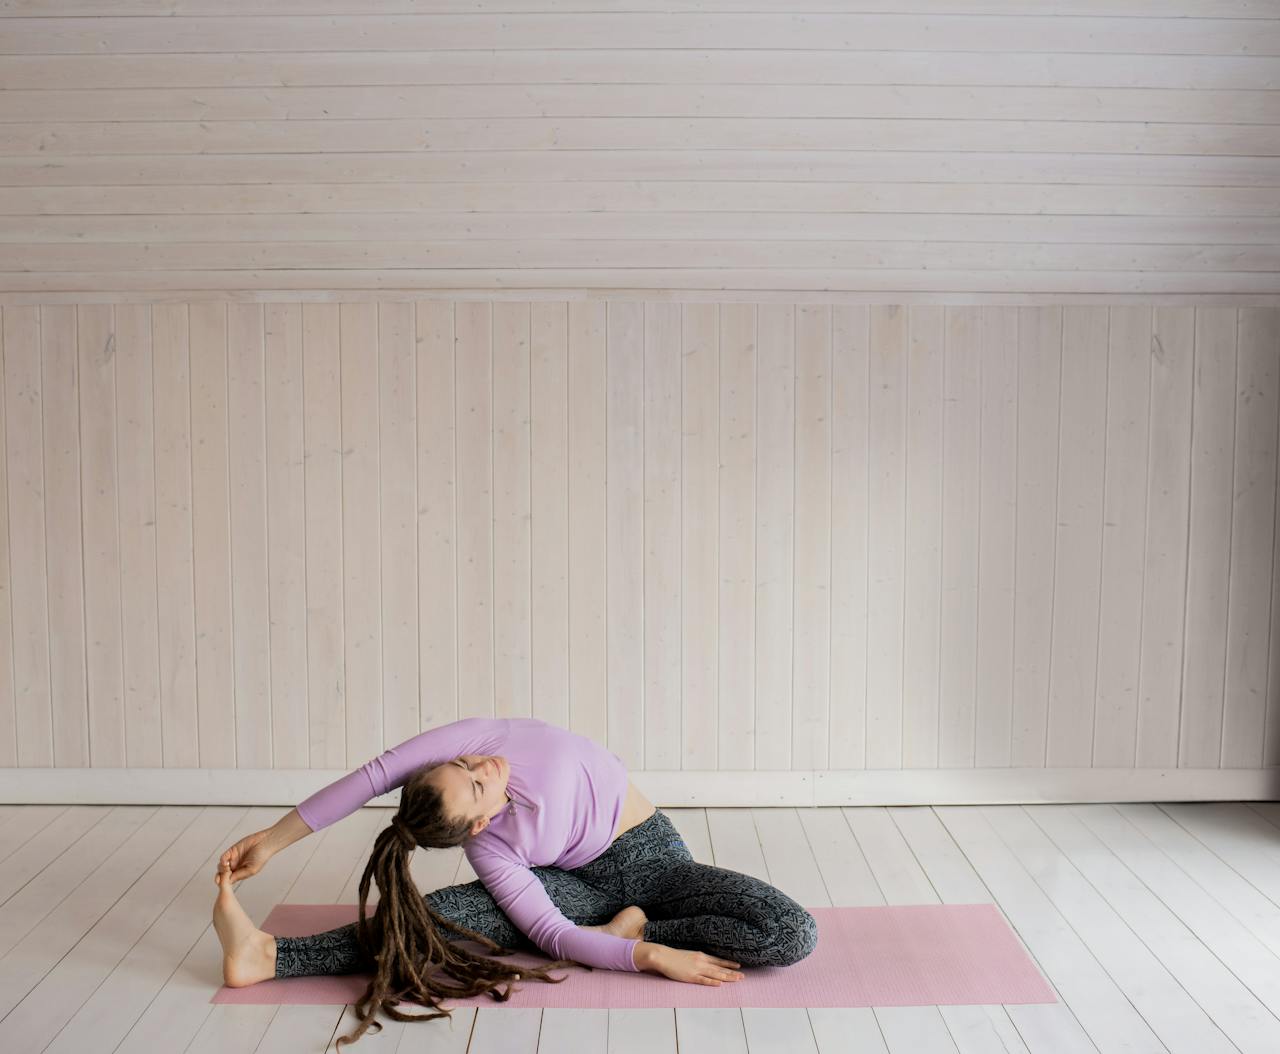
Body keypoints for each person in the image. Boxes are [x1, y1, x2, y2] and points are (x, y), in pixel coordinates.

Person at [211, 716, 818, 1048]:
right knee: (450, 914)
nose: (481, 766)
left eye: (465, 765)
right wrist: (649, 955)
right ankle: (271, 955)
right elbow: (552, 933)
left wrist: (268, 841)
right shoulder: (492, 850)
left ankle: (617, 928)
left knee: (791, 933)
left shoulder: (477, 739)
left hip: (658, 862)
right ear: (478, 821)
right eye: (475, 783)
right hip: (572, 889)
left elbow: (371, 777)